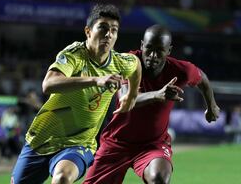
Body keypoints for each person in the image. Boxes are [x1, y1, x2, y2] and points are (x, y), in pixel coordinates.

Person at [11, 4, 142, 184]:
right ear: (88, 31)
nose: (108, 34)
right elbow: (48, 84)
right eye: (103, 28)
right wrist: (96, 80)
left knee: (62, 178)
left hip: (80, 143)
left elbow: (136, 64)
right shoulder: (75, 55)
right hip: (41, 139)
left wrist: (131, 97)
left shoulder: (121, 62)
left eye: (114, 30)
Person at [84, 24, 220, 184]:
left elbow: (201, 78)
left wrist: (212, 106)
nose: (153, 55)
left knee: (158, 178)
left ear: (168, 51)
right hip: (116, 143)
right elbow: (126, 99)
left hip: (153, 144)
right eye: (149, 48)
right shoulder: (127, 62)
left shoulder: (180, 70)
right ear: (142, 45)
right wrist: (158, 94)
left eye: (160, 50)